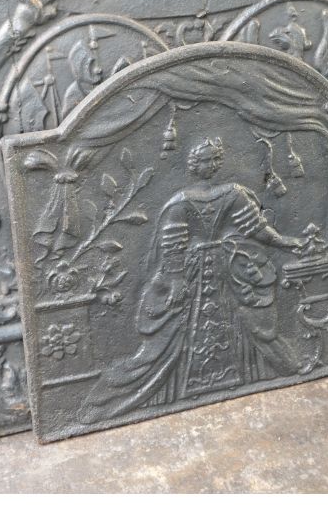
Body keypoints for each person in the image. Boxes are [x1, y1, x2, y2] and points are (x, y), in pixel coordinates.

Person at [79, 137, 312, 424]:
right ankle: (135, 394)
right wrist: (176, 281)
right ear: (193, 164)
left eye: (215, 159)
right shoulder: (180, 203)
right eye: (205, 160)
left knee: (253, 324)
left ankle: (244, 374)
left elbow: (257, 228)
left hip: (228, 271)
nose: (210, 165)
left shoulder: (234, 194)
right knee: (167, 340)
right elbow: (172, 247)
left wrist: (287, 242)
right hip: (191, 273)